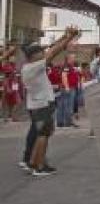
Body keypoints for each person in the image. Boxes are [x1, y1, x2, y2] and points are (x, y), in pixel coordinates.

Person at [20, 27, 80, 176]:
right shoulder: (34, 67)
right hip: (42, 106)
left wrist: (64, 37)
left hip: (38, 105)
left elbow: (52, 49)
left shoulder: (29, 67)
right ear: (33, 56)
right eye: (39, 52)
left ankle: (34, 162)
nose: (42, 53)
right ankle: (39, 167)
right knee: (43, 135)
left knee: (42, 134)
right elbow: (53, 52)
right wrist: (68, 38)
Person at [58, 53, 81, 128]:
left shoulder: (69, 66)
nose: (74, 59)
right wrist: (67, 87)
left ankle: (62, 122)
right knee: (68, 106)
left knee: (65, 105)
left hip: (70, 87)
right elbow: (64, 76)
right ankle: (68, 122)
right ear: (69, 59)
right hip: (69, 88)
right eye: (73, 58)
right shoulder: (66, 66)